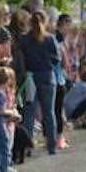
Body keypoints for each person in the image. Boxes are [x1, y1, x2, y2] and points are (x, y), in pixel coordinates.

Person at [19, 11, 62, 155]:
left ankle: (27, 147)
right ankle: (52, 145)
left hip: (31, 77)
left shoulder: (24, 39)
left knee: (29, 113)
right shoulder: (50, 39)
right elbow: (57, 59)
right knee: (49, 112)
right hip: (48, 77)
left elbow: (21, 59)